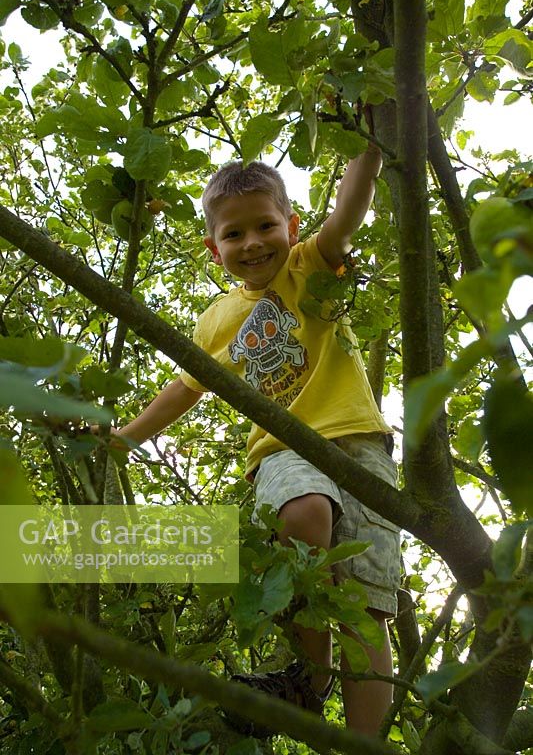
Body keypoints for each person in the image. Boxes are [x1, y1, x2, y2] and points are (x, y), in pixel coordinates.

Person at [115, 147, 400, 736]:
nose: (253, 243)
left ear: (291, 227)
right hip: (282, 451)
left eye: (266, 226)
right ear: (213, 249)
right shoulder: (216, 319)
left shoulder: (309, 267)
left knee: (369, 608)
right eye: (234, 233)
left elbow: (347, 214)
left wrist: (367, 149)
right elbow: (183, 389)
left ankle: (366, 744)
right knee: (304, 513)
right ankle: (308, 678)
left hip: (360, 446)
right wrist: (123, 439)